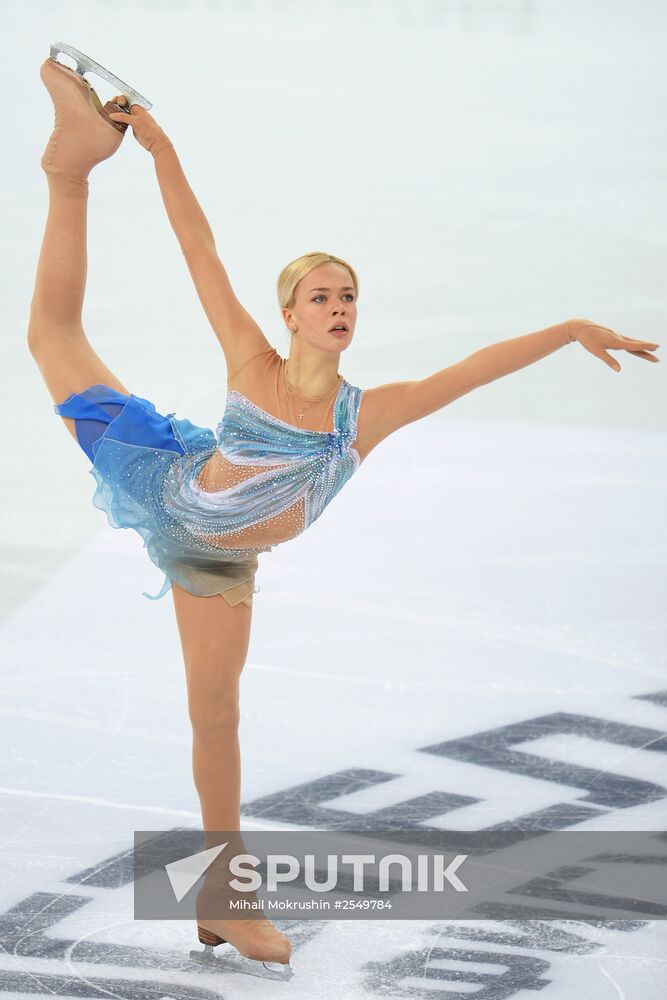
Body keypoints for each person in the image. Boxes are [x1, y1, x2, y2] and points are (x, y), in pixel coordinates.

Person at [28, 48, 660, 980]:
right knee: (53, 334)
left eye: (347, 296)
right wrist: (158, 149)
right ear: (288, 314)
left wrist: (568, 329)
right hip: (161, 477)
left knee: (215, 715)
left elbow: (469, 369)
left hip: (216, 562)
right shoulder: (251, 364)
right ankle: (70, 165)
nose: (337, 307)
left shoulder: (368, 415)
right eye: (319, 295)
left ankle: (221, 895)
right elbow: (196, 247)